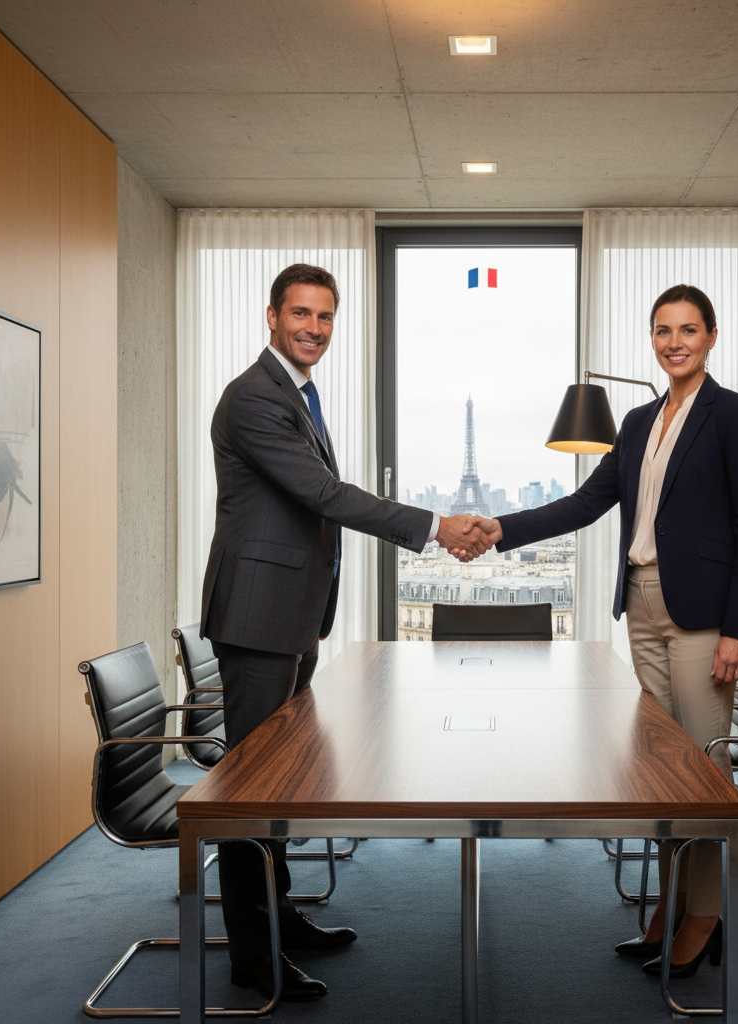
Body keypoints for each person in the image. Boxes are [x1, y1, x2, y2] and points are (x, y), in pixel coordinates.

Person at [200, 263, 490, 1001]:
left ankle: (280, 918)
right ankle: (254, 957)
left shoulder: (295, 392)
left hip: (289, 614)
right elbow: (321, 493)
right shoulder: (253, 399)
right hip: (259, 617)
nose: (314, 328)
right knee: (249, 792)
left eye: (325, 317)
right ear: (271, 316)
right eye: (301, 314)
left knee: (275, 786)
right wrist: (434, 527)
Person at [465, 284, 738, 977]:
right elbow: (585, 502)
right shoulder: (636, 423)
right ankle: (669, 905)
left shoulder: (734, 415)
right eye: (662, 331)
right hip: (642, 605)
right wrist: (501, 529)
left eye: (688, 329)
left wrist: (737, 629)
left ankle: (707, 915)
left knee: (705, 774)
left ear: (712, 337)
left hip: (702, 616)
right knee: (664, 779)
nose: (674, 342)